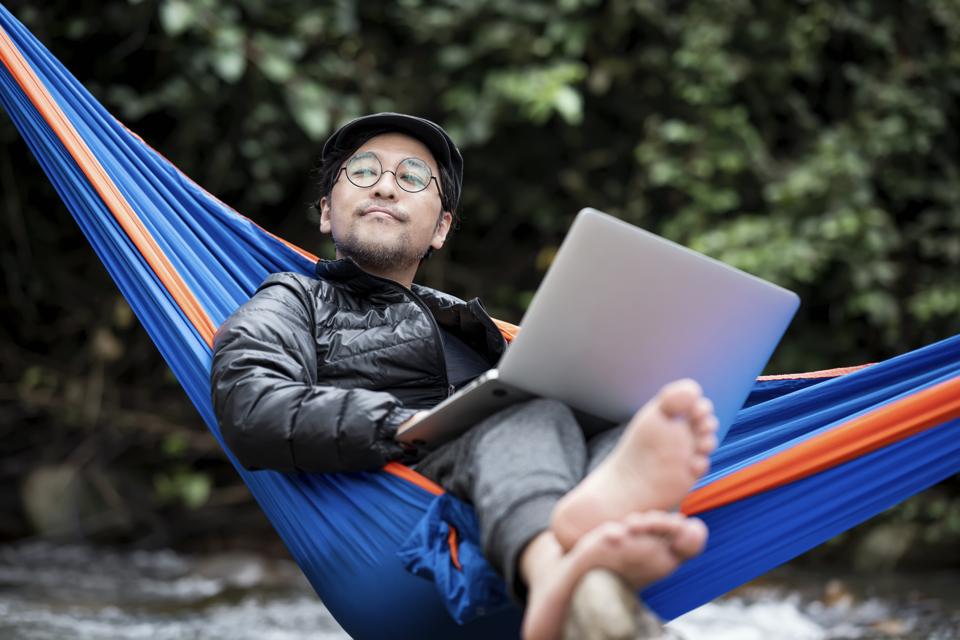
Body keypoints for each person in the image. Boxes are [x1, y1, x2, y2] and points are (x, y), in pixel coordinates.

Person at [210, 113, 718, 640]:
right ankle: (553, 565)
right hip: (404, 517)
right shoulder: (296, 298)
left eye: (411, 177)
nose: (385, 185)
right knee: (523, 414)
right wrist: (410, 426)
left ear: (441, 228)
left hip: (514, 482)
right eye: (362, 171)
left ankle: (589, 540)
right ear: (325, 214)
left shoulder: (466, 322)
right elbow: (250, 404)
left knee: (621, 426)